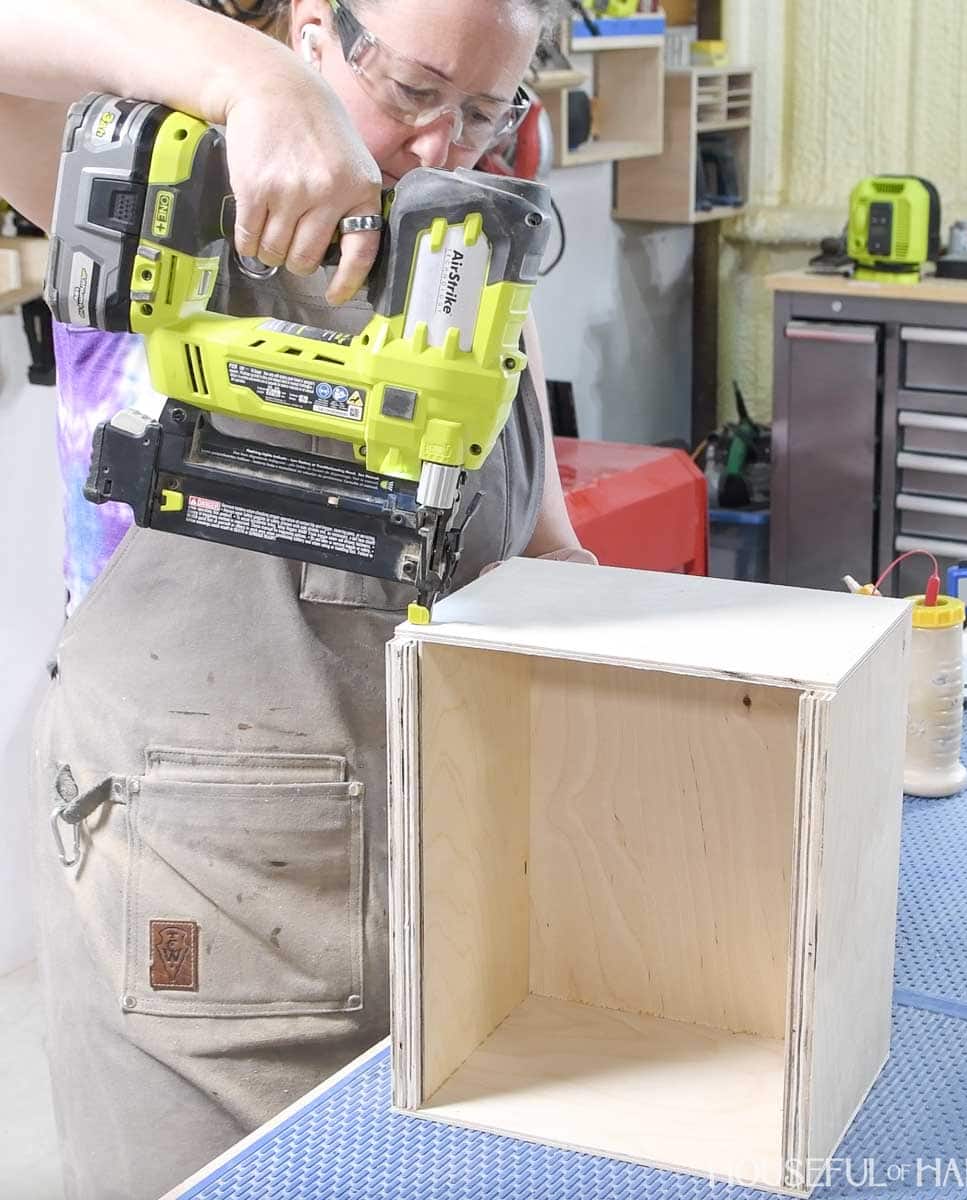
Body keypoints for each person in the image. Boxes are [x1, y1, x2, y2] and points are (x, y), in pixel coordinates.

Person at [1, 1, 591, 1196]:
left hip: (453, 910)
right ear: (319, 32)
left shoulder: (469, 255)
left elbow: (543, 549)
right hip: (196, 928)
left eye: (488, 111)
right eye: (415, 91)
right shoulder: (165, 191)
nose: (444, 151)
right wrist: (248, 80)